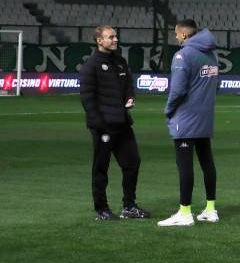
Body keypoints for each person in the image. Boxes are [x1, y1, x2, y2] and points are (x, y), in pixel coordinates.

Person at [79, 25, 151, 221]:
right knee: (101, 168)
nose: (115, 40)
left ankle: (129, 206)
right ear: (99, 41)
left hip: (123, 124)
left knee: (132, 163)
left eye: (115, 37)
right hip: (103, 127)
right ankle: (101, 209)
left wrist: (130, 97)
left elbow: (128, 85)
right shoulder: (90, 66)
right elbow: (87, 99)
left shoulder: (120, 62)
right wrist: (100, 124)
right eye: (110, 37)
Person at [158, 20, 220, 227]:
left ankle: (185, 213)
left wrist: (168, 110)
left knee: (185, 165)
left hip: (185, 118)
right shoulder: (211, 55)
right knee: (206, 161)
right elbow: (215, 86)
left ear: (184, 35)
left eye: (176, 34)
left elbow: (177, 90)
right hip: (204, 117)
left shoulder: (183, 55)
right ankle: (210, 210)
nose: (175, 37)